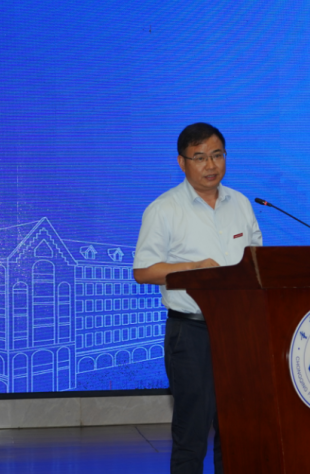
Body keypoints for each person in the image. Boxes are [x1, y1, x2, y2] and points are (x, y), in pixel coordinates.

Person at [133, 122, 263, 474]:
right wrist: (193, 268)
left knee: (237, 431)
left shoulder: (241, 203)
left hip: (239, 330)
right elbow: (143, 271)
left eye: (217, 155)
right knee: (192, 433)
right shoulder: (164, 209)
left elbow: (256, 261)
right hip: (192, 333)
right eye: (200, 157)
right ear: (182, 162)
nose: (211, 165)